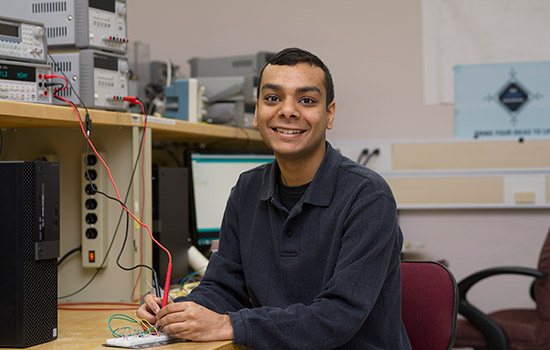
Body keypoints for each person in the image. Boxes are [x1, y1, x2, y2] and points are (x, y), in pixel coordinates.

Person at [137, 47, 411, 349]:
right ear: (256, 112)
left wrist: (229, 324)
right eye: (272, 99)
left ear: (329, 114)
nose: (287, 111)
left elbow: (338, 316)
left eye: (306, 100)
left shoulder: (368, 196)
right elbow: (226, 287)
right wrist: (178, 311)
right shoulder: (247, 190)